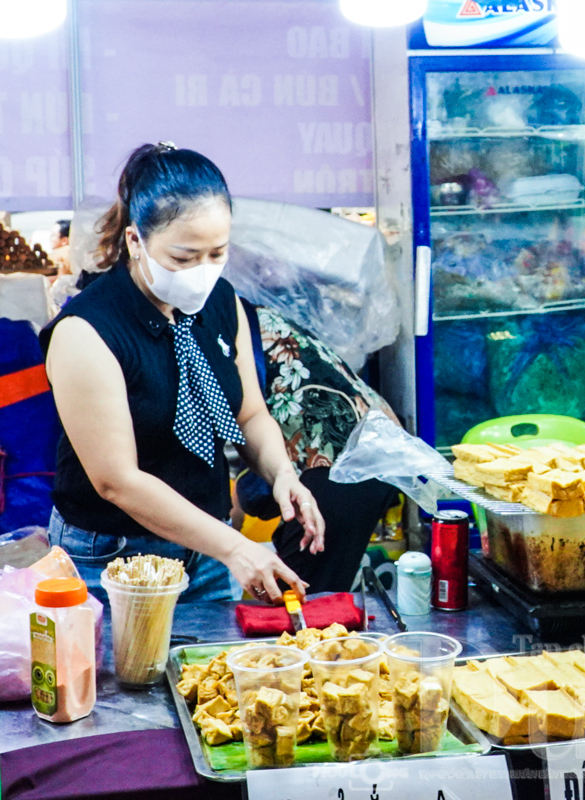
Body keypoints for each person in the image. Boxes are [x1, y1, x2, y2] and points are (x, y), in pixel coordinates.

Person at [40, 142, 325, 605]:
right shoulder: (87, 332)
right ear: (135, 241)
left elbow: (250, 414)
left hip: (208, 548)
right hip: (111, 559)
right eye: (183, 258)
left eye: (217, 254)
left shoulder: (219, 301)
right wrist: (235, 547)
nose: (203, 272)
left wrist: (281, 474)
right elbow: (117, 481)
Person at [235, 302, 399, 593]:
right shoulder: (239, 311)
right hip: (365, 447)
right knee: (302, 600)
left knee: (298, 610)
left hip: (342, 463)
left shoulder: (216, 313)